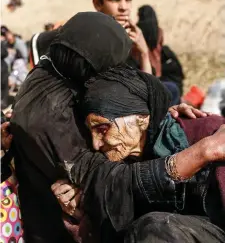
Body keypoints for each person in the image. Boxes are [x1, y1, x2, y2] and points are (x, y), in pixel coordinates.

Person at [11, 12, 210, 243]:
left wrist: (157, 111)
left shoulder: (60, 71)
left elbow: (128, 97)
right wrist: (199, 154)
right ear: (92, 65)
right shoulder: (49, 113)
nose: (97, 143)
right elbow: (112, 182)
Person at [53, 66, 225, 242]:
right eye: (91, 133)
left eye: (103, 128)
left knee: (156, 227)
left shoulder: (209, 133)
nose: (97, 144)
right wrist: (81, 214)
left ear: (142, 119)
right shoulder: (117, 166)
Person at [92, 0, 152, 74]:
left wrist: (144, 53)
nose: (124, 7)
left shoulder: (132, 39)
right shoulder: (90, 39)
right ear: (97, 3)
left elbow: (150, 88)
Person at [137, 5, 184, 103]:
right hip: (158, 65)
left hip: (146, 63)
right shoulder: (159, 31)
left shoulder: (138, 30)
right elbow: (160, 45)